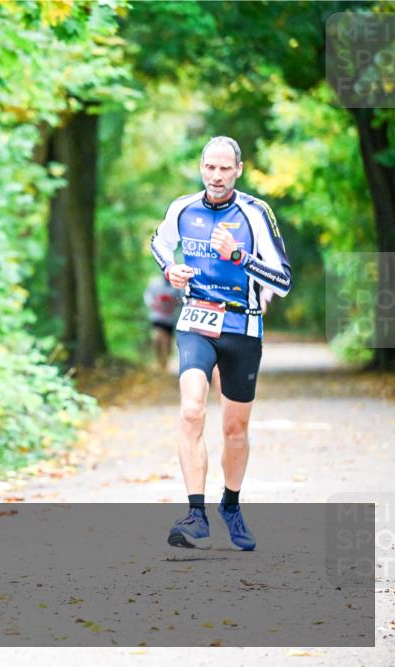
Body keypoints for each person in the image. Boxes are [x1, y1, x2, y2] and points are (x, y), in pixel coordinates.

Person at [149, 136, 290, 551]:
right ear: (201, 167)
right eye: (210, 167)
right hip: (195, 318)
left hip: (242, 326)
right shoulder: (182, 208)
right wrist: (171, 267)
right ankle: (196, 514)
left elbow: (282, 279)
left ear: (238, 171)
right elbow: (158, 243)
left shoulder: (255, 213)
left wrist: (238, 258)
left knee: (235, 430)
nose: (216, 176)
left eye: (225, 168)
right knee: (192, 410)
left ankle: (230, 504)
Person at [143, 275, 183, 369]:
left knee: (167, 341)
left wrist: (176, 304)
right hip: (157, 318)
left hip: (170, 319)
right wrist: (152, 304)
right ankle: (160, 360)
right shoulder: (155, 283)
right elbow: (147, 296)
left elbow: (181, 300)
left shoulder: (178, 287)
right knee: (157, 337)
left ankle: (164, 362)